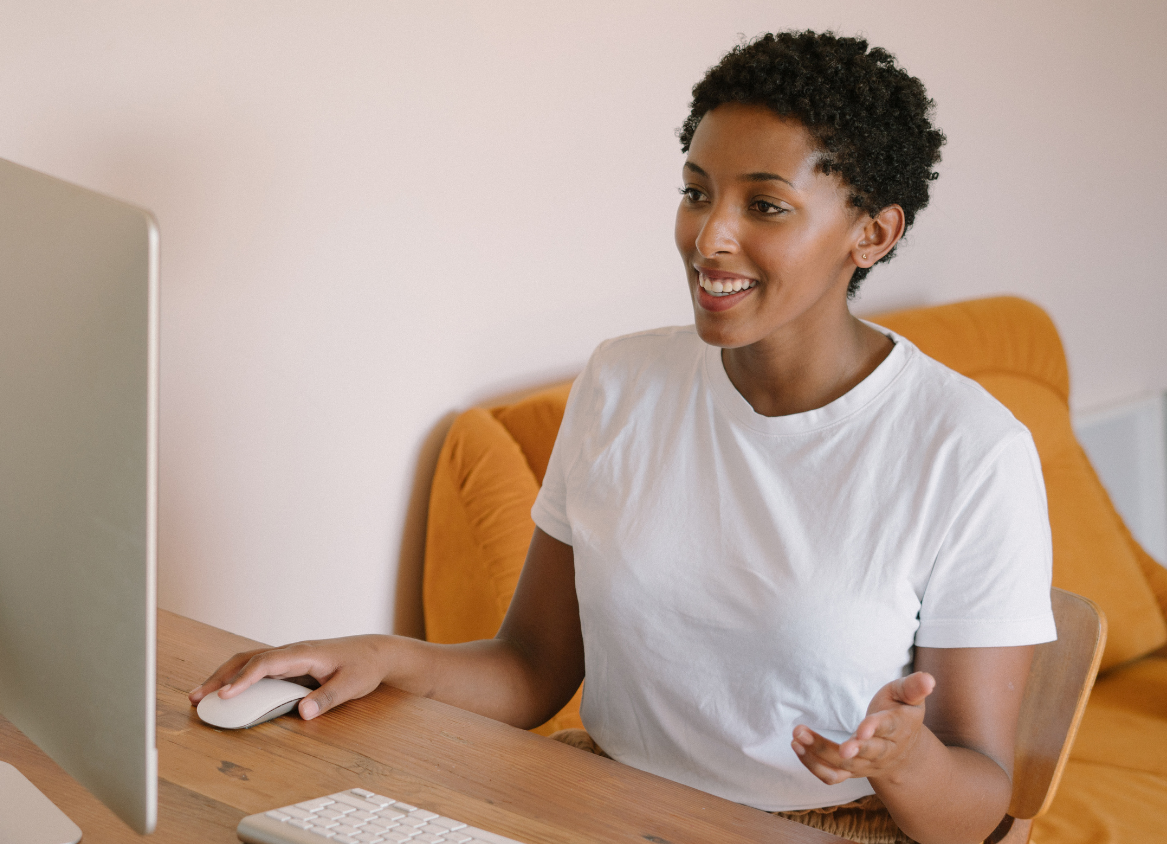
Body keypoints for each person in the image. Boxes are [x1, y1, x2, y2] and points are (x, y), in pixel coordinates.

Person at [190, 31, 1055, 844]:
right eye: (695, 192)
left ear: (873, 233)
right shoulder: (623, 382)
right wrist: (379, 656)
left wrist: (906, 763)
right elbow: (532, 669)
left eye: (765, 204)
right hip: (606, 798)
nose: (709, 237)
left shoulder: (969, 452)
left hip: (826, 825)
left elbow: (977, 807)